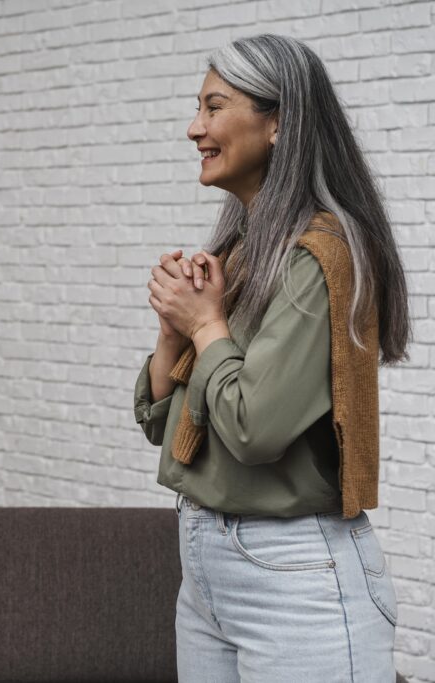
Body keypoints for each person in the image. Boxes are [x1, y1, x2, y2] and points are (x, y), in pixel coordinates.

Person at [134, 35, 410, 681]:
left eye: (213, 106)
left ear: (279, 120)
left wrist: (206, 324)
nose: (193, 127)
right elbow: (166, 428)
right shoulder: (241, 249)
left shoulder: (322, 257)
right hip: (207, 559)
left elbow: (254, 430)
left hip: (294, 576)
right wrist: (176, 332)